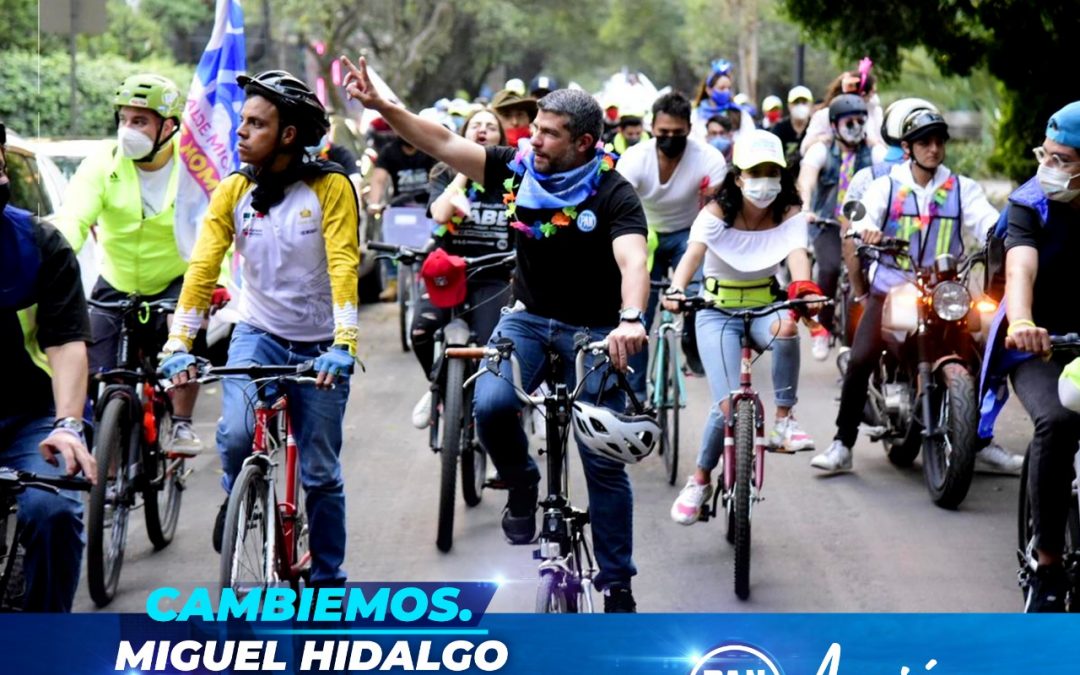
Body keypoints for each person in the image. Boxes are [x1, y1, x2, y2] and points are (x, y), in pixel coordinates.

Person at [343, 55, 650, 612]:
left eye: (549, 134)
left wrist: (631, 321)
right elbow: (440, 141)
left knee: (603, 458)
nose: (534, 140)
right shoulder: (516, 169)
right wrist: (384, 106)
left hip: (599, 331)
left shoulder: (614, 193)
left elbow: (633, 262)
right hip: (527, 318)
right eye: (533, 129)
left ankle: (618, 583)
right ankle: (524, 485)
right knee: (489, 404)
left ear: (583, 143)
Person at [160, 70, 360, 586]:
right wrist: (178, 341)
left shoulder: (330, 187)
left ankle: (328, 578)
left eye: (256, 123)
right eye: (242, 121)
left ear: (288, 135)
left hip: (320, 345)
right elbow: (203, 269)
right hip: (257, 331)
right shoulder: (234, 190)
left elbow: (343, 264)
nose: (240, 132)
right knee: (232, 434)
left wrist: (344, 343)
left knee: (319, 472)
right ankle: (241, 492)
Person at [812, 109, 1012, 476]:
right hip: (892, 288)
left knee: (985, 352)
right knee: (861, 358)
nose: (934, 149)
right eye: (925, 142)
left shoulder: (961, 188)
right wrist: (866, 230)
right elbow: (861, 218)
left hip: (944, 292)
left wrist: (1003, 232)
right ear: (907, 148)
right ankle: (842, 443)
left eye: (939, 142)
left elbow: (987, 219)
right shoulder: (885, 186)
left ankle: (979, 440)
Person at [664, 130, 822, 523]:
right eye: (756, 171)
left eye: (772, 171)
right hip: (716, 311)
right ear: (738, 176)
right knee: (727, 403)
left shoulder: (788, 211)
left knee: (787, 327)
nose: (764, 180)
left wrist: (804, 291)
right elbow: (692, 255)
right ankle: (700, 479)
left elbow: (798, 258)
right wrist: (676, 288)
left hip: (765, 304)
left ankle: (785, 421)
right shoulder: (716, 212)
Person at [56, 74, 204, 455]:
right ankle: (103, 458)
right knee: (86, 358)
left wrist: (215, 282)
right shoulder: (103, 163)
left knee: (181, 337)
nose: (128, 130)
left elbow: (214, 230)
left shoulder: (193, 167)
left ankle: (182, 424)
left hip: (175, 279)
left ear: (168, 126)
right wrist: (51, 256)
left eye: (139, 121)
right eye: (123, 120)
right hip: (117, 280)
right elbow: (74, 217)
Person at [983, 101, 1080, 611]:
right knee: (1059, 422)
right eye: (1048, 154)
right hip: (1041, 343)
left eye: (1064, 160)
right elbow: (1020, 270)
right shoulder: (1030, 203)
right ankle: (1047, 564)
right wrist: (1022, 322)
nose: (1050, 168)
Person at [0, 121, 97, 611]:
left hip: (32, 417)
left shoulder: (39, 245)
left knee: (52, 509)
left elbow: (65, 345)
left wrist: (67, 426)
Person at [616, 91, 728, 399]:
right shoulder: (635, 159)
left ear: (689, 129)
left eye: (677, 134)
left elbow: (716, 210)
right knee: (636, 313)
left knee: (696, 295)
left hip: (689, 234)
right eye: (663, 133)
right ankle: (636, 395)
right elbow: (620, 209)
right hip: (644, 231)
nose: (670, 139)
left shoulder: (709, 158)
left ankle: (691, 340)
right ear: (652, 128)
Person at [410, 108, 513, 427]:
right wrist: (463, 169)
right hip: (447, 273)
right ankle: (438, 387)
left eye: (491, 127)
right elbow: (440, 214)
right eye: (475, 126)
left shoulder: (512, 176)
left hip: (494, 274)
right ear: (463, 134)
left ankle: (495, 413)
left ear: (500, 139)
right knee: (421, 331)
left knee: (493, 349)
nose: (482, 131)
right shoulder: (443, 172)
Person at [797, 94, 886, 361]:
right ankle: (822, 329)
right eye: (849, 122)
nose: (856, 127)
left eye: (861, 121)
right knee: (830, 269)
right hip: (827, 223)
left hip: (863, 226)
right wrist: (805, 207)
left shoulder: (874, 152)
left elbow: (892, 175)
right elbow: (806, 180)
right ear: (834, 125)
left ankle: (856, 341)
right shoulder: (821, 150)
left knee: (868, 275)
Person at [367, 128, 437, 301]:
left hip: (426, 207)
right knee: (386, 237)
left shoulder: (428, 149)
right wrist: (374, 203)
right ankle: (392, 281)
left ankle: (429, 277)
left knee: (432, 242)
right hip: (399, 207)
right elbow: (378, 179)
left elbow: (437, 176)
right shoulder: (389, 152)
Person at [800, 65, 884, 156]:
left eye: (860, 121)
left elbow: (882, 148)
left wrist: (875, 145)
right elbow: (804, 148)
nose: (856, 125)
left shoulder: (874, 114)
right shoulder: (824, 116)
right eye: (849, 123)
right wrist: (823, 140)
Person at [691, 59, 754, 142]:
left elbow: (750, 140)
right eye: (722, 88)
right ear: (709, 90)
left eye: (729, 88)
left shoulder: (740, 114)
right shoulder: (696, 116)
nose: (726, 91)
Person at [770, 85, 813, 175]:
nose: (800, 106)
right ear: (789, 105)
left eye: (804, 102)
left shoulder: (815, 127)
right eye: (796, 102)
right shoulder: (780, 128)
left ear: (811, 105)